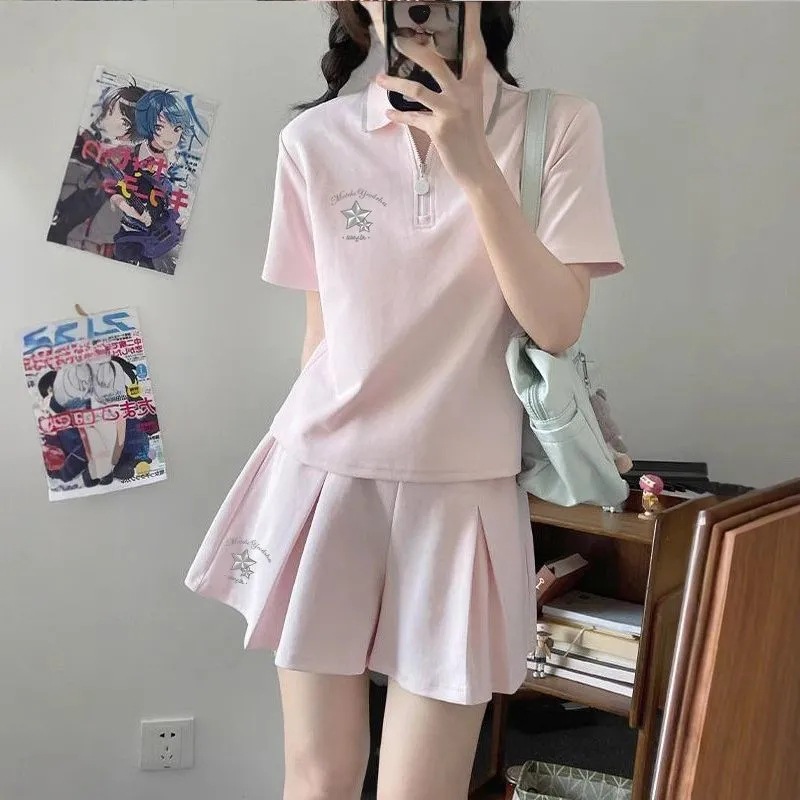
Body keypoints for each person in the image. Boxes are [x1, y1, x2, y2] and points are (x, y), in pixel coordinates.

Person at [184, 2, 626, 799]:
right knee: (318, 779)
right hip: (323, 478)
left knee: (423, 788)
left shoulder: (559, 126)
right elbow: (322, 338)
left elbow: (556, 324)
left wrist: (474, 163)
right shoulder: (313, 141)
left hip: (463, 495)